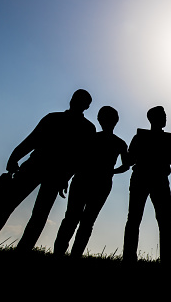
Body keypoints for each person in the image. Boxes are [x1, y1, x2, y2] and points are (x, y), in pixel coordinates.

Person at [0, 89, 96, 252]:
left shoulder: (77, 125)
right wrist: (15, 157)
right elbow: (34, 140)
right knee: (15, 209)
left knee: (27, 212)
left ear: (86, 106)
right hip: (41, 168)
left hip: (44, 169)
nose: (74, 102)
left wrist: (15, 157)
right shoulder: (77, 125)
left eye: (78, 100)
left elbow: (79, 158)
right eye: (75, 98)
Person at [53, 106, 130, 257]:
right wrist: (112, 171)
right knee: (85, 221)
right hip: (98, 182)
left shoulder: (93, 138)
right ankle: (71, 255)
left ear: (100, 120)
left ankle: (60, 254)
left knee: (73, 218)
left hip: (86, 180)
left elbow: (76, 161)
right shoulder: (118, 143)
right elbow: (126, 165)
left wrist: (66, 178)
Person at [122, 106, 171, 265]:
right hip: (155, 179)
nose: (165, 118)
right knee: (160, 221)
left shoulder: (142, 137)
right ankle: (165, 260)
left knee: (138, 219)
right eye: (162, 115)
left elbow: (129, 160)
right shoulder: (169, 140)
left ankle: (130, 259)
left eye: (165, 115)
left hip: (146, 178)